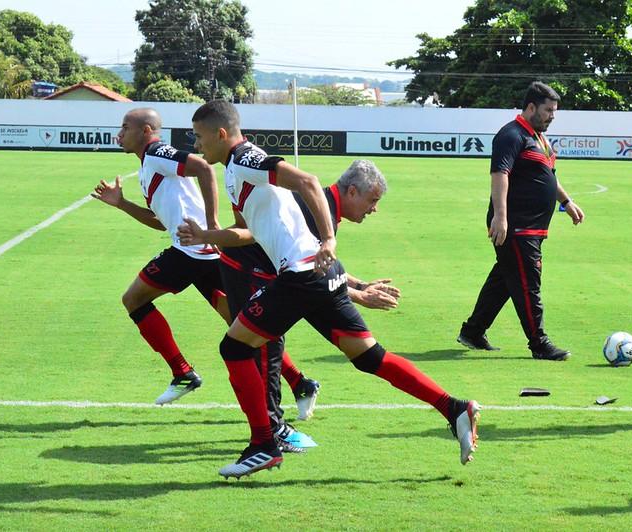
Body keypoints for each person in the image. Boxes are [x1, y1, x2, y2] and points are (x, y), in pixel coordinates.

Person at [180, 100, 480, 479]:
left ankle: (263, 444)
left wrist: (328, 239)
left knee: (235, 346)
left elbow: (306, 182)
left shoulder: (243, 159)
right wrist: (206, 235)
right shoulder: (236, 169)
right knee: (371, 358)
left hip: (302, 274)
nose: (197, 144)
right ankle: (454, 408)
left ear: (221, 134)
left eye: (200, 136)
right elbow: (250, 232)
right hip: (321, 275)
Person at [218, 160, 400, 432]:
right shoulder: (319, 210)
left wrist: (361, 286)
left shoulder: (327, 207)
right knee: (260, 346)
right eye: (372, 200)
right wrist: (360, 297)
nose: (374, 209)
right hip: (247, 270)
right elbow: (312, 278)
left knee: (256, 344)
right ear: (352, 191)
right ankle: (272, 429)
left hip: (269, 272)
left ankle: (283, 410)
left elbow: (316, 266)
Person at [90, 108, 230, 404]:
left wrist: (213, 224)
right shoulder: (148, 164)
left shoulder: (156, 152)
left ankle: (183, 373)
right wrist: (121, 203)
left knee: (133, 299)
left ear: (145, 131)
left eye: (125, 127)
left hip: (193, 250)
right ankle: (300, 382)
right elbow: (159, 221)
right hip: (199, 251)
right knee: (245, 326)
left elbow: (205, 168)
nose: (120, 133)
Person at [458, 81, 585, 360]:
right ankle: (539, 343)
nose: (552, 115)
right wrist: (501, 218)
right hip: (516, 225)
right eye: (548, 110)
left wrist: (566, 201)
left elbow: (549, 175)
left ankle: (473, 331)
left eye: (555, 110)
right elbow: (499, 175)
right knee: (528, 283)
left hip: (532, 226)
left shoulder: (539, 137)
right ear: (531, 107)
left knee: (505, 277)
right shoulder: (510, 135)